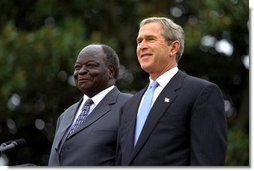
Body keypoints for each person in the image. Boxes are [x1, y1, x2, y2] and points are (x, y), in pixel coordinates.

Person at [116, 17, 227, 166]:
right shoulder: (129, 106)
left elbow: (207, 161)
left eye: (150, 39)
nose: (142, 46)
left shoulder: (201, 93)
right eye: (139, 41)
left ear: (173, 48)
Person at [48, 43, 132, 166]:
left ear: (111, 71)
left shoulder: (130, 105)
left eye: (91, 65)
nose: (81, 72)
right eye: (77, 67)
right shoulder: (65, 116)